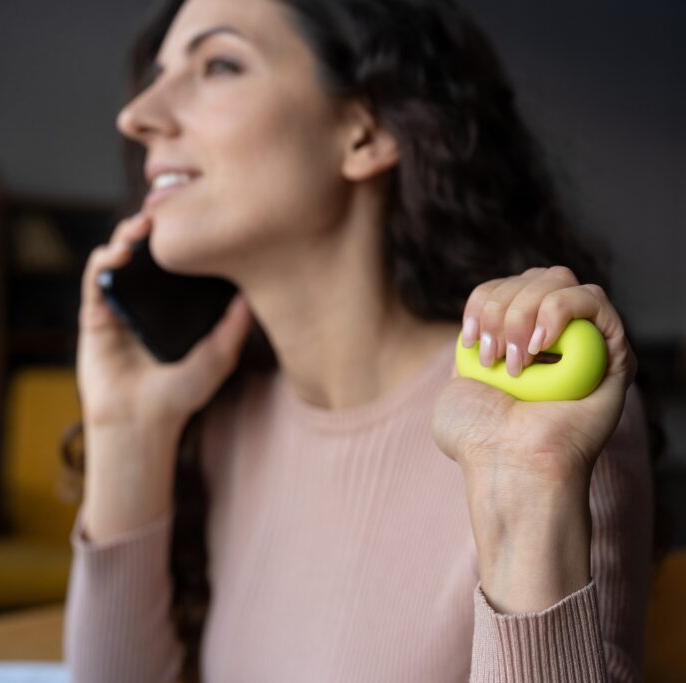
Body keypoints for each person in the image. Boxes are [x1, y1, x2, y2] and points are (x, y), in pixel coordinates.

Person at [63, 0, 654, 680]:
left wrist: (532, 496)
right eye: (158, 73)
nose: (136, 115)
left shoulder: (533, 412)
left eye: (218, 64)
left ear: (364, 131)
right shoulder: (224, 421)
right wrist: (125, 428)